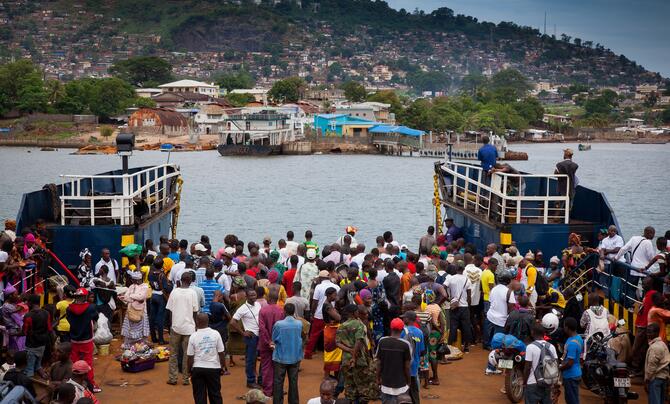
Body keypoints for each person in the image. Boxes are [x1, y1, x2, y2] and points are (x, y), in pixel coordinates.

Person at [337, 304, 377, 403]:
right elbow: (359, 341)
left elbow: (337, 343)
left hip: (346, 359)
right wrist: (354, 356)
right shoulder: (359, 325)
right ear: (355, 313)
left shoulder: (341, 326)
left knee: (349, 386)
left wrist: (348, 350)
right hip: (359, 359)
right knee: (363, 386)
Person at [166, 272, 200, 386]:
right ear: (190, 281)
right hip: (189, 328)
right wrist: (195, 326)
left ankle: (173, 378)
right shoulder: (192, 293)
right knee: (187, 354)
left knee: (173, 354)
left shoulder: (174, 292)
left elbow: (170, 310)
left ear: (180, 280)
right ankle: (186, 379)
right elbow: (195, 312)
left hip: (176, 327)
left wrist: (171, 324)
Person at [66, 288, 100, 392]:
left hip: (74, 339)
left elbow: (69, 319)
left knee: (75, 363)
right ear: (85, 297)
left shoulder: (69, 308)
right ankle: (91, 386)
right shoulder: (91, 307)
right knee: (88, 363)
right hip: (86, 340)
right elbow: (96, 318)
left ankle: (75, 385)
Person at [187, 313, 225, 404]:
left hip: (198, 368)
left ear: (197, 322)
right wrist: (222, 367)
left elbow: (190, 357)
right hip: (214, 368)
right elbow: (221, 353)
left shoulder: (193, 336)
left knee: (199, 396)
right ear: (208, 321)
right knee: (215, 394)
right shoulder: (216, 334)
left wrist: (189, 370)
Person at [272, 302, 304, 404]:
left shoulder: (278, 324)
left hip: (281, 357)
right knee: (293, 382)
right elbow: (302, 337)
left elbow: (274, 339)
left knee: (278, 382)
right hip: (295, 357)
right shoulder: (299, 324)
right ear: (293, 311)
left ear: (284, 311)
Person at [230, 289, 262, 389]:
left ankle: (260, 379)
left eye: (254, 295)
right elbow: (232, 322)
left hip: (260, 335)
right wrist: (243, 332)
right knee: (250, 360)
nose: (253, 297)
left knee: (261, 359)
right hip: (251, 336)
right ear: (246, 297)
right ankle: (251, 381)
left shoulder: (258, 304)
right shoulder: (242, 308)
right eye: (251, 295)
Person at [305, 270, 340, 359]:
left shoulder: (318, 287)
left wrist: (312, 313)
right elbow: (338, 301)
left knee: (314, 335)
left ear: (320, 278)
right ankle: (331, 355)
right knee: (331, 336)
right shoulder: (336, 286)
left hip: (319, 315)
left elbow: (314, 302)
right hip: (332, 316)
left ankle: (308, 353)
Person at [376, 317, 411, 403]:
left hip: (385, 384)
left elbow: (379, 363)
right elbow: (407, 366)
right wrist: (409, 381)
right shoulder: (405, 344)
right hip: (401, 384)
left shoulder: (382, 341)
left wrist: (377, 378)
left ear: (391, 328)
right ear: (402, 329)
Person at [258, 290, 285, 397]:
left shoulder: (263, 311)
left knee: (266, 367)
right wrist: (275, 342)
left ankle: (268, 390)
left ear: (268, 299)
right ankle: (277, 390)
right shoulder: (281, 311)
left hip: (265, 344)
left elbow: (262, 328)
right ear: (277, 299)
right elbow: (282, 329)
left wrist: (268, 342)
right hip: (278, 344)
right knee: (278, 367)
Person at [523, 323, 558, 404]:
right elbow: (556, 365)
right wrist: (554, 382)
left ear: (532, 332)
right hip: (547, 382)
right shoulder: (551, 347)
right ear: (544, 334)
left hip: (532, 383)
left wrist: (524, 382)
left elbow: (527, 367)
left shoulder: (530, 347)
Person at [444, 261, 472, 352]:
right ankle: (466, 347)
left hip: (454, 305)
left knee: (453, 326)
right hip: (464, 306)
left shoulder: (450, 278)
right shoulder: (467, 280)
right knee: (466, 326)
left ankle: (451, 346)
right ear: (463, 269)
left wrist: (448, 298)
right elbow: (469, 296)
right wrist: (468, 306)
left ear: (456, 268)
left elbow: (443, 287)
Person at [23, 294, 52, 378]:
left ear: (31, 303)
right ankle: (41, 372)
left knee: (30, 368)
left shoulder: (28, 316)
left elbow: (24, 332)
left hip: (31, 345)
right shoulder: (46, 313)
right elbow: (49, 329)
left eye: (28, 302)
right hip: (42, 343)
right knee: (38, 364)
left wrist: (13, 333)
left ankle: (29, 385)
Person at [119, 270, 150, 348]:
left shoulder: (145, 286)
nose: (132, 281)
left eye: (133, 280)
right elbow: (126, 297)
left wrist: (131, 296)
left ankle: (140, 344)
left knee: (140, 330)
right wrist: (134, 298)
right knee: (130, 329)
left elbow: (141, 297)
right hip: (130, 311)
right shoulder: (131, 286)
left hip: (141, 312)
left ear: (137, 279)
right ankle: (129, 345)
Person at [400, 311, 425, 404]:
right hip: (414, 367)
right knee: (415, 393)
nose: (403, 319)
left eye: (404, 318)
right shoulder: (420, 332)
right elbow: (422, 351)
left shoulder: (403, 332)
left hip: (404, 368)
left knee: (403, 394)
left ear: (408, 319)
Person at [645, 322, 670, 404]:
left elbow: (652, 366)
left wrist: (647, 379)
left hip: (655, 378)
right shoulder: (663, 344)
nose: (648, 334)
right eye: (647, 331)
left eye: (650, 332)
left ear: (656, 333)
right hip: (663, 377)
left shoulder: (655, 347)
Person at [560, 318, 583, 404]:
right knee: (572, 398)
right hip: (576, 372)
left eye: (564, 326)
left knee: (571, 400)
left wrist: (560, 368)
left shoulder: (572, 343)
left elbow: (570, 363)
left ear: (567, 328)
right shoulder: (578, 338)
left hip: (571, 375)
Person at [148, 258, 171, 344]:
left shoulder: (150, 274)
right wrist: (170, 286)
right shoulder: (162, 275)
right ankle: (161, 340)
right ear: (162, 265)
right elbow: (165, 288)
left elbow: (150, 283)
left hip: (153, 295)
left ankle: (153, 338)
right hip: (161, 296)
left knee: (152, 317)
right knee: (160, 318)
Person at [208, 290, 231, 375]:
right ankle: (222, 368)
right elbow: (229, 317)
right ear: (220, 296)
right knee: (222, 349)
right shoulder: (221, 305)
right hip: (222, 328)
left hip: (213, 327)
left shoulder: (211, 304)